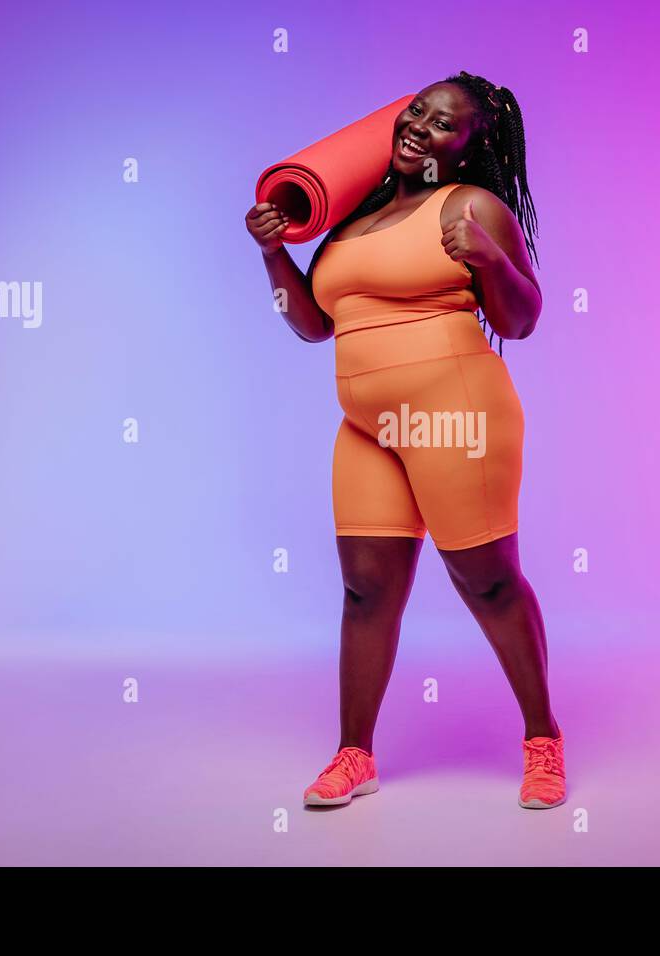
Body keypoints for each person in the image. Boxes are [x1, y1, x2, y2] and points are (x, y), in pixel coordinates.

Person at [245, 72, 563, 809]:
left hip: (457, 414)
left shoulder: (472, 205)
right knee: (364, 591)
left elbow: (521, 320)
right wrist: (272, 256)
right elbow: (312, 326)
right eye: (417, 110)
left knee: (485, 581)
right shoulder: (348, 220)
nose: (420, 126)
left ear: (468, 147)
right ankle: (354, 755)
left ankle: (543, 739)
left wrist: (488, 256)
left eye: (443, 124)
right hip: (365, 427)